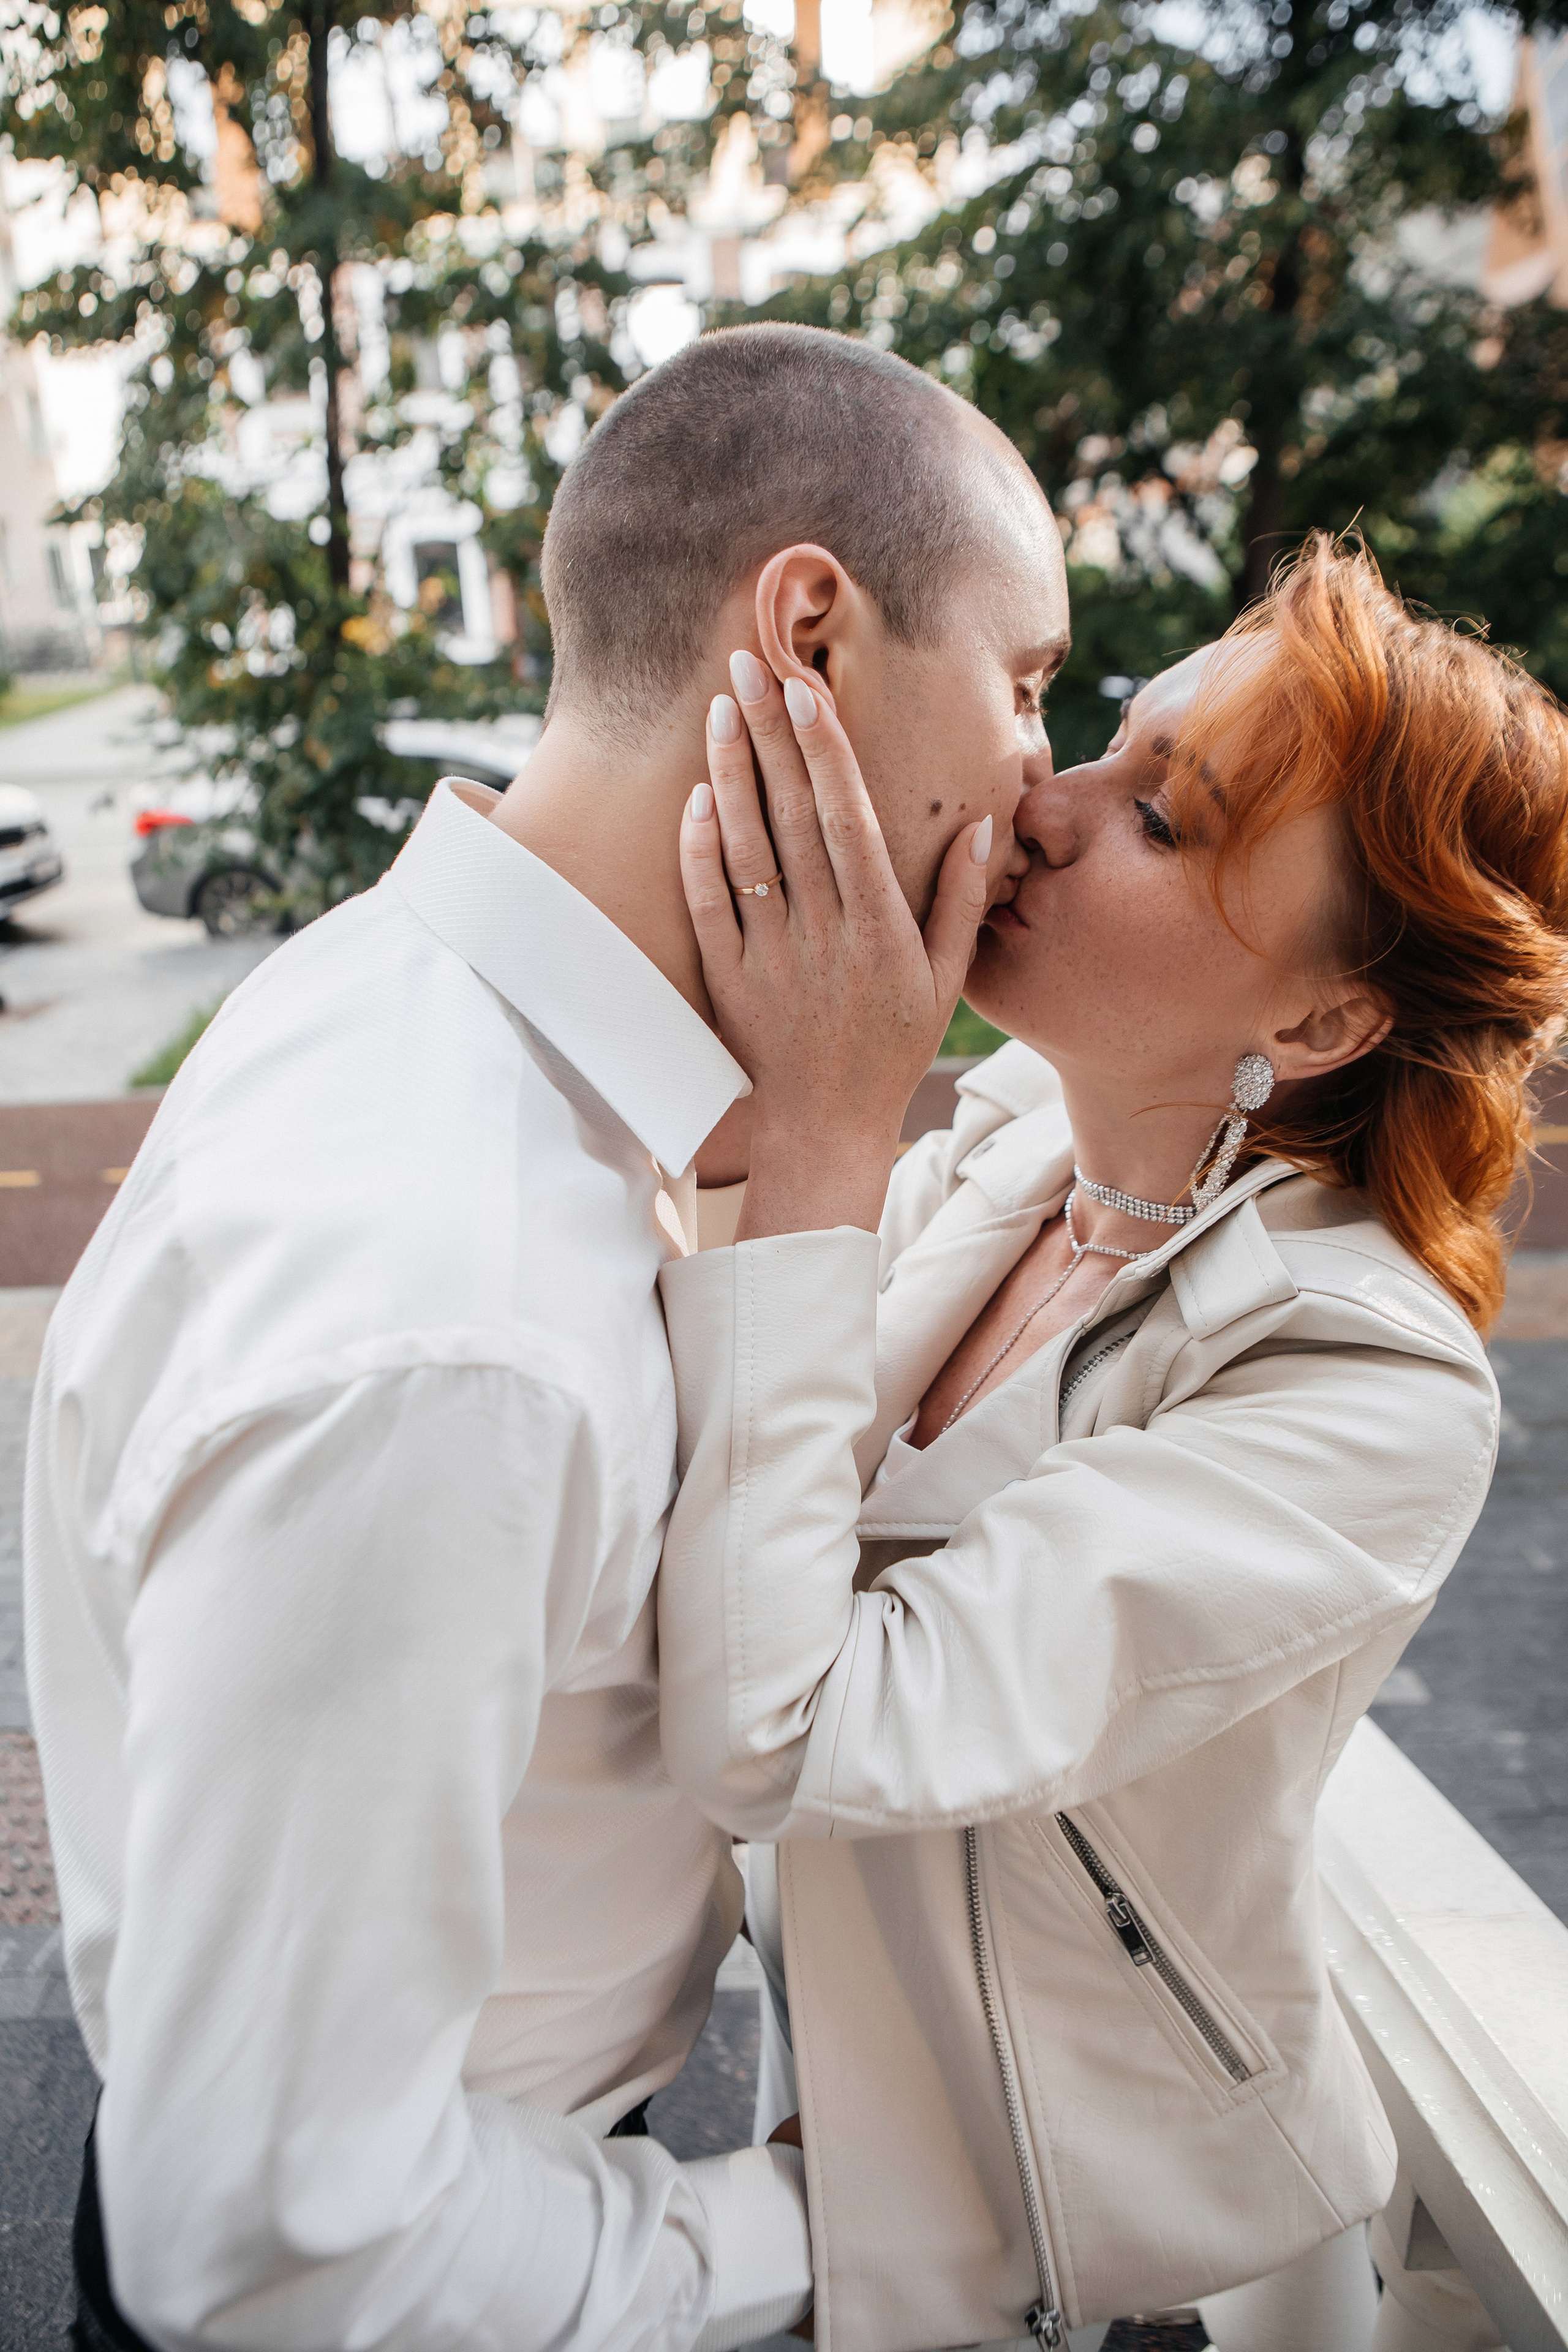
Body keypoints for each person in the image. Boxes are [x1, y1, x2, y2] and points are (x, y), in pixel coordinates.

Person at [23, 323, 1066, 2352]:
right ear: (814, 635)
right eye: (1027, 682)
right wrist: (808, 2236)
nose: (1044, 773)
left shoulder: (422, 995)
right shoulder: (454, 1328)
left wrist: (815, 1134)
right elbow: (269, 2253)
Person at [656, 537, 1568, 2350]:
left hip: (1118, 2260)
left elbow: (790, 1725)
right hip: (848, 2148)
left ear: (1316, 1022)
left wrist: (830, 1138)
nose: (1039, 805)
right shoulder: (1014, 1147)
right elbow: (719, 1431)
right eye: (1101, 740)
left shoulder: (1362, 1381)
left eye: (1168, 819)